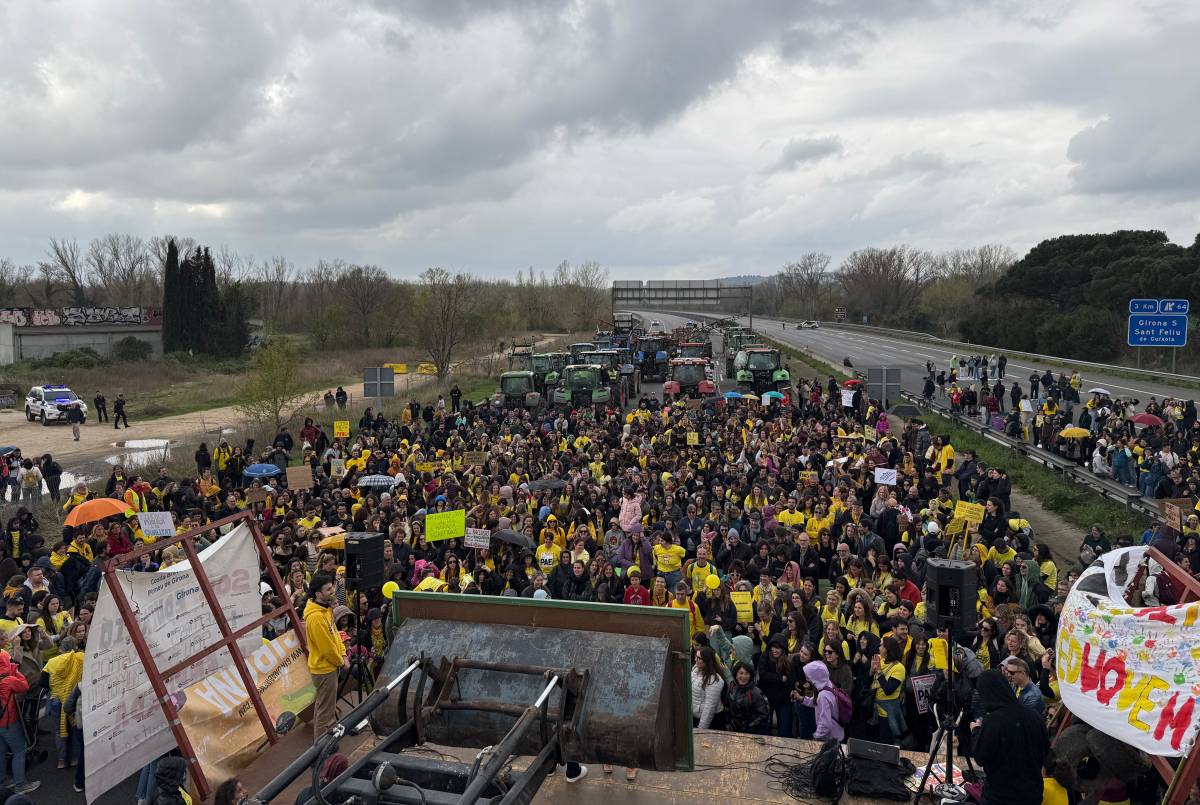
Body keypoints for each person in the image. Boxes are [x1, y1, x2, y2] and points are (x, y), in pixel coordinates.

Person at [970, 669, 1048, 805]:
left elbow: (980, 756)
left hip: (1001, 796)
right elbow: (1045, 753)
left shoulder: (993, 721)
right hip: (1032, 794)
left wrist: (976, 731)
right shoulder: (1034, 716)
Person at [305, 573, 348, 737]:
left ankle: (327, 739)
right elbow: (327, 649)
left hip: (329, 667)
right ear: (318, 594)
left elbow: (335, 634)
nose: (333, 591)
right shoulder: (316, 618)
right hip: (324, 670)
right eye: (328, 589)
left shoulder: (325, 609)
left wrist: (343, 654)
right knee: (325, 711)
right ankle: (321, 749)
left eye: (332, 587)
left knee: (325, 707)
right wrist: (341, 661)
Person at [0, 652, 36, 793]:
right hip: (9, 721)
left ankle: (3, 780)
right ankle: (20, 784)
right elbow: (24, 686)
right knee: (19, 750)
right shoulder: (8, 680)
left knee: (1, 751)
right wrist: (15, 670)